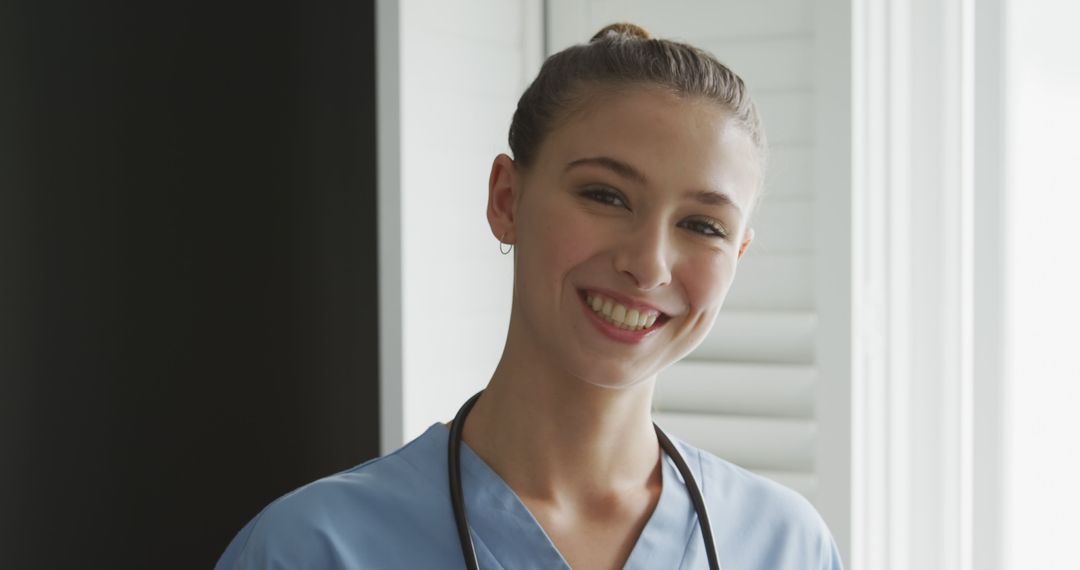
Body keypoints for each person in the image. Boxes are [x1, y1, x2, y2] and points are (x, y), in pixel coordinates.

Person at [216, 22, 843, 570]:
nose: (648, 265)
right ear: (506, 201)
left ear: (737, 257)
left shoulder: (786, 546)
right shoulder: (310, 550)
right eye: (605, 195)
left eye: (703, 226)